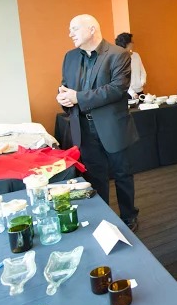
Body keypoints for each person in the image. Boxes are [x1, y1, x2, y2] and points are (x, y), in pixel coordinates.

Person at [58, 14, 140, 231]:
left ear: (92, 29)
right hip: (83, 127)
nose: (70, 34)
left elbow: (116, 89)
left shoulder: (118, 54)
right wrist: (63, 98)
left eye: (74, 28)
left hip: (113, 127)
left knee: (122, 174)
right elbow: (65, 87)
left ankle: (129, 216)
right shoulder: (70, 57)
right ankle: (103, 218)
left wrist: (78, 97)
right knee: (95, 177)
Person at [114, 32, 147, 98]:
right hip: (128, 93)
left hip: (140, 91)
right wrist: (132, 93)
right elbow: (122, 79)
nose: (133, 43)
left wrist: (143, 81)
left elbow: (142, 70)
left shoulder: (136, 55)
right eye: (132, 42)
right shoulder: (119, 59)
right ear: (127, 44)